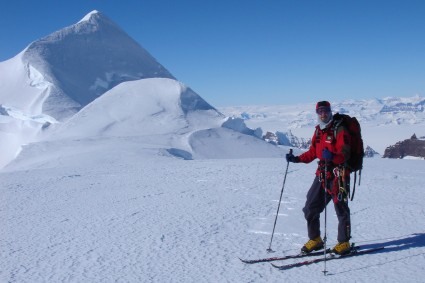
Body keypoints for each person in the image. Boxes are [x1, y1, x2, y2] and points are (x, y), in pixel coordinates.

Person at [286, 101, 352, 255]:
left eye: (326, 111)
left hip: (338, 176)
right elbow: (312, 153)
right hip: (322, 175)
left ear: (330, 111)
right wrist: (296, 159)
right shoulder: (318, 131)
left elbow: (346, 154)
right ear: (317, 113)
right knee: (310, 208)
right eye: (320, 111)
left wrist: (333, 157)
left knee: (341, 209)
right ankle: (315, 239)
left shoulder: (340, 129)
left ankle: (344, 242)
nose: (323, 114)